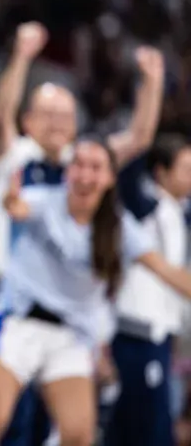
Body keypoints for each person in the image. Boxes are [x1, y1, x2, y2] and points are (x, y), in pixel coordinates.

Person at [0, 25, 164, 445]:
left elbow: (137, 139)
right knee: (5, 418)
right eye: (48, 113)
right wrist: (22, 56)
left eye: (66, 115)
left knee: (59, 423)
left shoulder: (78, 167)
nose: (59, 122)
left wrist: (151, 83)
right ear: (29, 120)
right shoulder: (16, 154)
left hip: (62, 315)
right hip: (8, 297)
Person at [0, 138, 191, 446]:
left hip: (71, 335)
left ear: (110, 178)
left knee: (78, 436)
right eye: (78, 165)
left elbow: (168, 273)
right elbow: (17, 205)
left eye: (96, 168)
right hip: (18, 322)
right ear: (68, 172)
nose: (85, 176)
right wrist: (11, 203)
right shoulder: (45, 201)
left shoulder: (119, 227)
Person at [107, 134, 191, 446]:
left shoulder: (180, 211)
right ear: (161, 172)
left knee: (136, 425)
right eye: (185, 169)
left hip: (161, 335)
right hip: (137, 333)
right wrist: (152, 91)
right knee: (149, 430)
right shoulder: (144, 205)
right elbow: (131, 156)